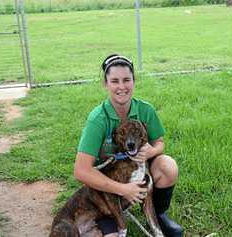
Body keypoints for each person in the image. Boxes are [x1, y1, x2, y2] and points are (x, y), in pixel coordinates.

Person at [74, 54, 183, 237]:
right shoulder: (98, 119)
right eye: (114, 81)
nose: (121, 87)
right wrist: (124, 190)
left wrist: (151, 151)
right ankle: (108, 216)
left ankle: (158, 213)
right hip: (107, 188)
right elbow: (81, 170)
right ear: (105, 83)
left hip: (138, 170)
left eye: (126, 80)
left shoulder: (145, 110)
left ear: (134, 81)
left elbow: (160, 143)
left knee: (168, 166)